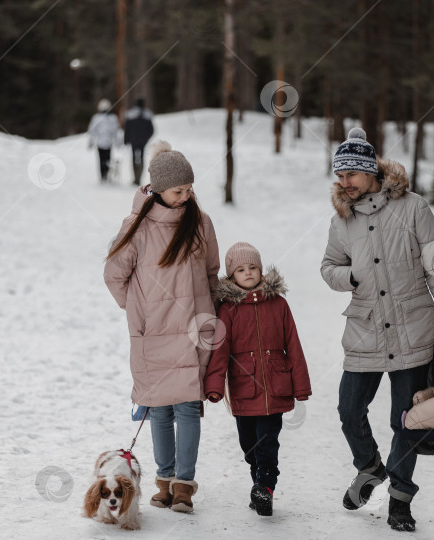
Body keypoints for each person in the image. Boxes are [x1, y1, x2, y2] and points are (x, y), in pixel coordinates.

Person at [320, 127, 434, 533]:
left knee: (406, 421)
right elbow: (328, 266)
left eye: (350, 175)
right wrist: (348, 276)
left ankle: (400, 499)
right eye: (340, 176)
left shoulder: (414, 208)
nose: (344, 183)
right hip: (365, 329)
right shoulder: (341, 220)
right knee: (349, 411)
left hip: (412, 328)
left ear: (370, 173)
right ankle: (369, 468)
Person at [104, 140, 220, 514]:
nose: (186, 196)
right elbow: (114, 275)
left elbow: (211, 273)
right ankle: (164, 480)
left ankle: (184, 484)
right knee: (160, 409)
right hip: (152, 331)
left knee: (188, 407)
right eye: (178, 190)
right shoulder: (136, 227)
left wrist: (210, 312)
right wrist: (138, 310)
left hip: (192, 328)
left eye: (189, 189)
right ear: (156, 189)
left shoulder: (200, 222)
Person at [203, 242, 312, 517]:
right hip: (243, 389)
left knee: (268, 442)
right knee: (249, 445)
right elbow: (220, 351)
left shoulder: (278, 304)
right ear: (232, 276)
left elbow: (294, 345)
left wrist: (300, 386)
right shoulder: (228, 310)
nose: (248, 273)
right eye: (241, 269)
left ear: (261, 270)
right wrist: (215, 385)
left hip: (275, 387)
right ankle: (258, 485)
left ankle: (266, 486)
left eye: (253, 267)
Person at [124, 98, 155, 185]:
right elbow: (151, 130)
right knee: (141, 158)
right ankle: (139, 178)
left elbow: (127, 129)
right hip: (143, 141)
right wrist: (146, 139)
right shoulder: (147, 115)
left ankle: (135, 178)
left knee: (134, 157)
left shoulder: (130, 114)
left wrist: (126, 140)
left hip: (133, 140)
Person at [88, 99, 120, 182]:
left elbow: (115, 131)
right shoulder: (98, 118)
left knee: (105, 160)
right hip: (102, 143)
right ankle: (104, 174)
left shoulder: (112, 118)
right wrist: (91, 141)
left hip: (106, 143)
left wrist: (117, 142)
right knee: (104, 160)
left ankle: (105, 174)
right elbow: (92, 131)